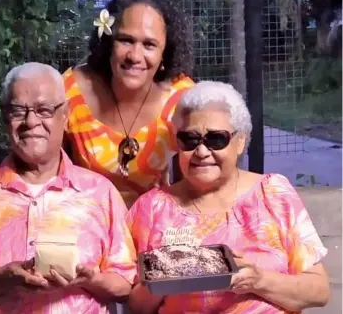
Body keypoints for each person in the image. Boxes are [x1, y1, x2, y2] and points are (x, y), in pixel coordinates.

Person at [0, 62, 137, 313]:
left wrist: (90, 279)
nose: (31, 122)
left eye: (44, 110)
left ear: (65, 115)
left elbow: (125, 283)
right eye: (18, 111)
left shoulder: (99, 193)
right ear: (4, 117)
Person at [127, 81, 330, 313]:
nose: (202, 152)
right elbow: (135, 306)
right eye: (190, 140)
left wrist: (258, 280)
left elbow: (319, 290)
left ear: (240, 141)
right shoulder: (152, 207)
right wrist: (163, 278)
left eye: (216, 139)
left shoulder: (273, 193)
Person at [63, 0, 195, 206]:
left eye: (149, 45)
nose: (135, 55)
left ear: (165, 52)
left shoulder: (183, 98)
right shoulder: (70, 91)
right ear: (108, 40)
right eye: (126, 40)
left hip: (152, 224)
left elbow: (195, 185)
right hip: (85, 222)